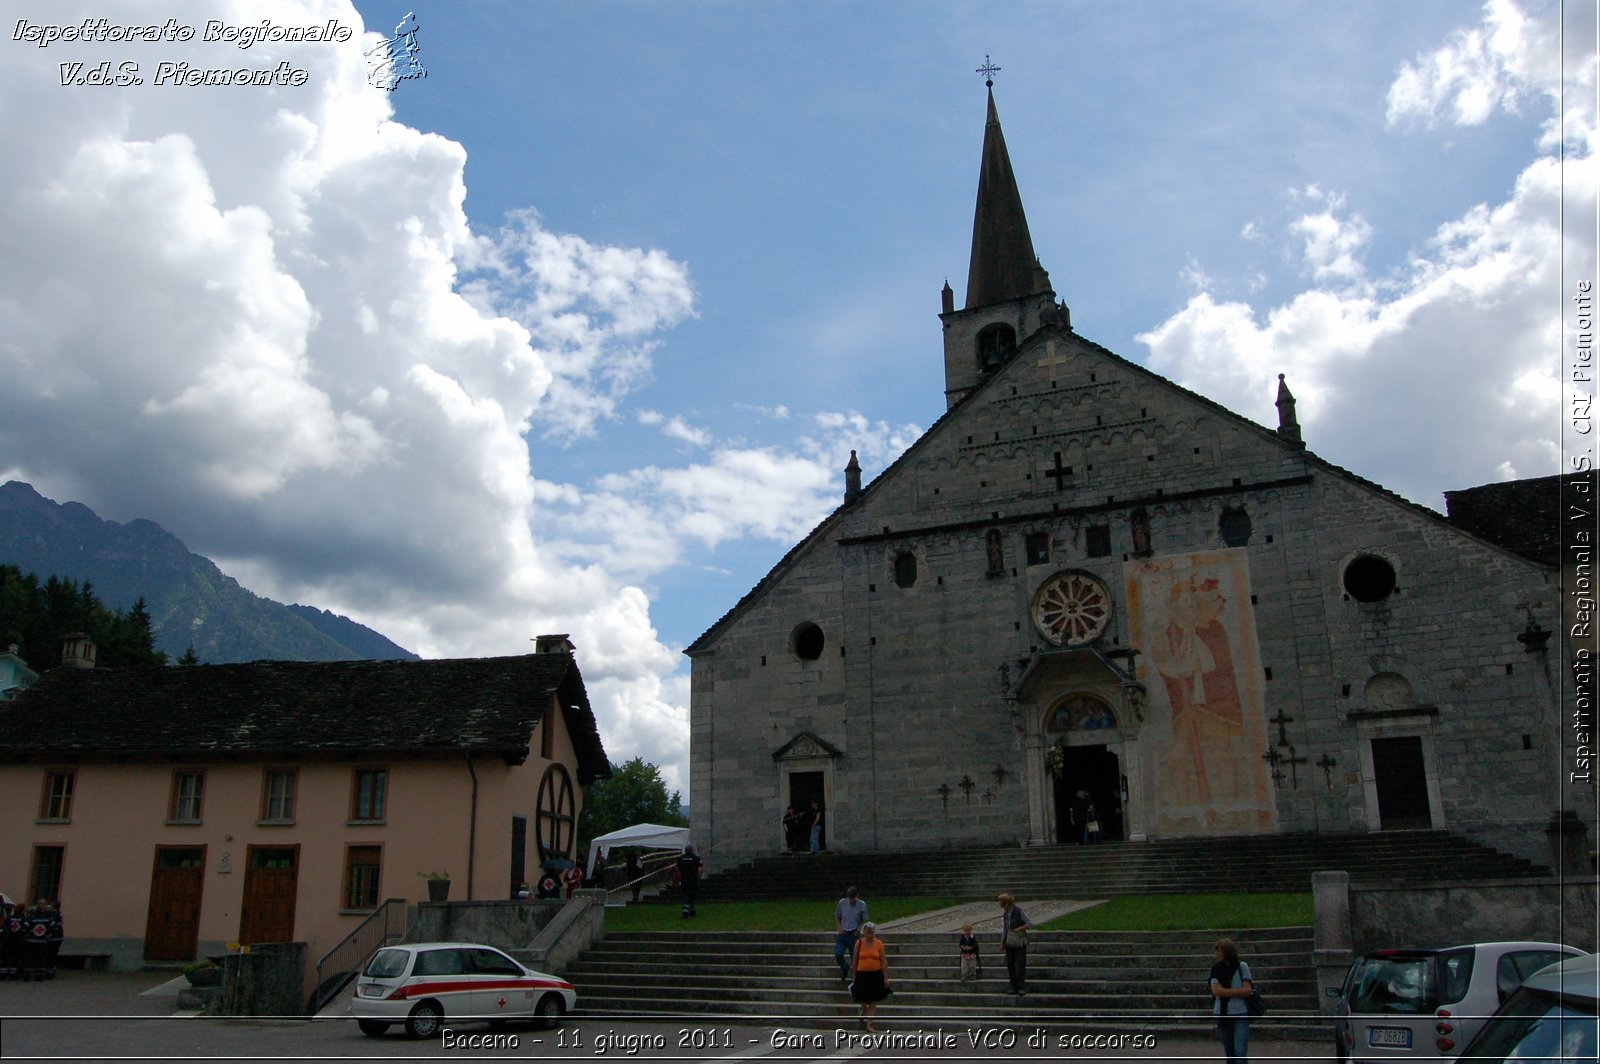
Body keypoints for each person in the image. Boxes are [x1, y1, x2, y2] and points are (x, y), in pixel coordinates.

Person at [1210, 937, 1254, 1064]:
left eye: (1219, 951)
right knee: (1230, 1053)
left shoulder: (1242, 967)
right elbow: (1216, 991)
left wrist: (1226, 992)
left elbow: (1247, 990)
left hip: (1240, 1013)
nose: (1216, 954)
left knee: (1240, 1051)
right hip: (1222, 1014)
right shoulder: (1216, 969)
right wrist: (1237, 991)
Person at [849, 922, 889, 1033]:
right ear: (864, 933)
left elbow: (883, 961)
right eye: (868, 933)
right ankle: (864, 1010)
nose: (870, 935)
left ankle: (869, 1025)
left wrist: (886, 977)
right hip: (862, 974)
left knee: (873, 1000)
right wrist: (854, 975)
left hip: (875, 974)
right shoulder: (859, 943)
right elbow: (855, 960)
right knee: (861, 998)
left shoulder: (879, 944)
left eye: (872, 933)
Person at [833, 885, 868, 984]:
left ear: (857, 896)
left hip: (854, 933)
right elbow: (837, 915)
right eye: (850, 898)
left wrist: (859, 929)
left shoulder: (862, 905)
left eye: (853, 898)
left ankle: (855, 977)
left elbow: (863, 919)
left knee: (855, 957)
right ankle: (844, 968)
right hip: (843, 933)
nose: (851, 900)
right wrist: (839, 928)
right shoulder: (842, 903)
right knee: (838, 953)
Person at [998, 892, 1030, 996]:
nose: (1004, 908)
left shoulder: (1019, 911)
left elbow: (1029, 923)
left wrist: (1019, 929)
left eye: (1004, 905)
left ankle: (1021, 987)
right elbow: (1005, 928)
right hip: (1009, 942)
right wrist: (1002, 942)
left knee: (1020, 965)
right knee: (1010, 964)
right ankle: (1013, 985)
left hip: (1019, 941)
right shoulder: (1005, 914)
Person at [676, 844, 703, 917]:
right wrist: (698, 878)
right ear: (692, 850)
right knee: (691, 895)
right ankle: (686, 910)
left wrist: (677, 880)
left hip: (683, 879)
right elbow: (700, 869)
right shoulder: (696, 858)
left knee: (686, 894)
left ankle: (692, 910)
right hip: (692, 879)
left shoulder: (680, 858)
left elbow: (678, 870)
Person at [958, 922, 981, 989]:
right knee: (964, 965)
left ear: (971, 930)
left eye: (969, 930)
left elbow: (975, 945)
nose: (967, 932)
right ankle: (964, 974)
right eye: (966, 930)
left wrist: (971, 948)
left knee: (972, 965)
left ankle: (972, 974)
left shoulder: (973, 937)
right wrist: (963, 947)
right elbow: (960, 944)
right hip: (965, 954)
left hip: (972, 954)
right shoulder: (963, 937)